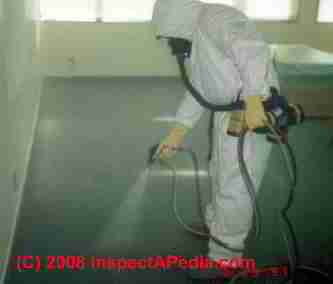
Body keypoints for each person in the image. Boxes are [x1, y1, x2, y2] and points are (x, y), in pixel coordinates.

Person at [152, 0, 280, 281]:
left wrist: (255, 97)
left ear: (178, 20)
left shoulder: (217, 18)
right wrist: (178, 131)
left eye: (170, 37)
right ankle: (216, 226)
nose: (171, 44)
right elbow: (198, 89)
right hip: (230, 112)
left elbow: (252, 51)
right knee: (219, 171)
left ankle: (225, 259)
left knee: (235, 185)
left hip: (251, 112)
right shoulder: (194, 41)